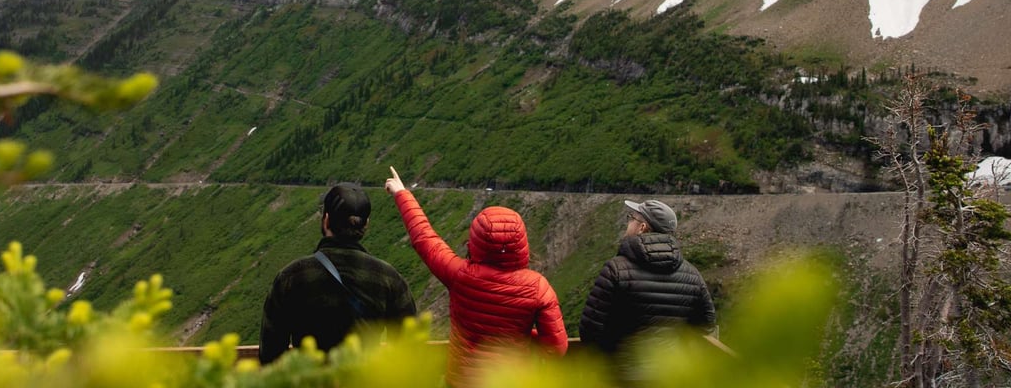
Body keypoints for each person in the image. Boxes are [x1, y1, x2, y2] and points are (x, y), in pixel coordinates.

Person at [384, 167, 568, 387]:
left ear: (476, 240)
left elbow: (424, 238)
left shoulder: (459, 274)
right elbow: (556, 348)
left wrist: (402, 193)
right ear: (521, 243)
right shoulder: (538, 288)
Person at [259, 182, 417, 364]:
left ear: (326, 220)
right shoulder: (389, 278)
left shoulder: (291, 277)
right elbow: (407, 349)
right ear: (365, 225)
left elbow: (270, 353)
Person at [579, 198, 717, 383]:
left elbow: (590, 330)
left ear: (642, 227)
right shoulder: (693, 275)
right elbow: (705, 326)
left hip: (622, 376)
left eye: (631, 218)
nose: (628, 223)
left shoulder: (616, 270)